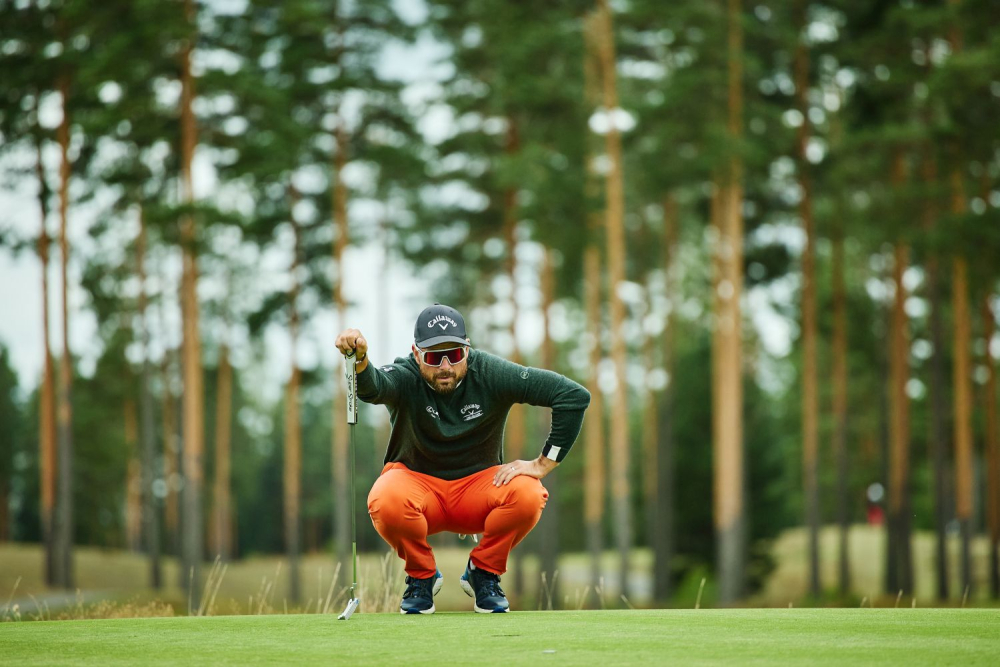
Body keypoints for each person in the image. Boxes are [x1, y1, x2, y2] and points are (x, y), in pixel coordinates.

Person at [334, 303, 591, 614]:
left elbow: (573, 396)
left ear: (467, 350)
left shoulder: (491, 373)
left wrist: (543, 463)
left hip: (478, 489)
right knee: (384, 498)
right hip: (416, 487)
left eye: (454, 355)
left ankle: (484, 571)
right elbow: (375, 387)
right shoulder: (406, 374)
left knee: (528, 493)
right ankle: (421, 576)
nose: (445, 366)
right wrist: (360, 359)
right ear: (416, 354)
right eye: (433, 356)